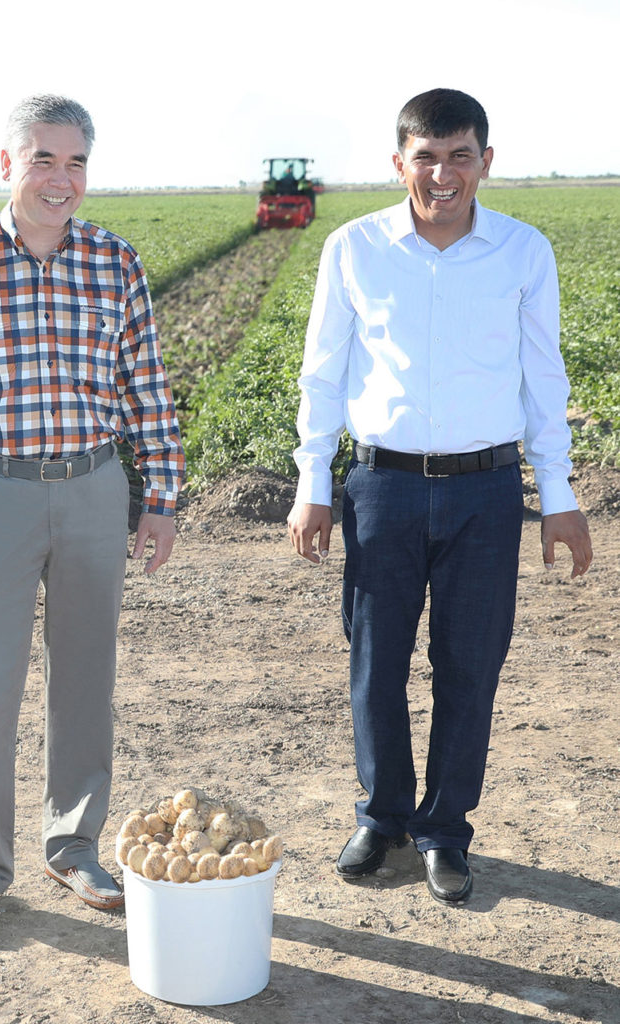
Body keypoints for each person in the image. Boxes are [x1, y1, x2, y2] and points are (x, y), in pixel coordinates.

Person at [287, 88, 592, 905]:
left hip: (486, 491)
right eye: (426, 156)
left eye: (460, 155)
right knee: (375, 662)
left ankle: (445, 830)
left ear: (486, 161)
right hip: (380, 485)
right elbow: (323, 373)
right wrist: (313, 483)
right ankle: (383, 817)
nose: (443, 173)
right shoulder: (354, 249)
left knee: (469, 666)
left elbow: (543, 379)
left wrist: (558, 494)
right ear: (400, 163)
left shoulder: (522, 252)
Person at [0, 94, 185, 935]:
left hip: (95, 486)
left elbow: (146, 387)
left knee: (86, 673)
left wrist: (160, 497)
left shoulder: (114, 261)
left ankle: (74, 845)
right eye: (44, 159)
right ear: (8, 163)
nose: (62, 179)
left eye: (76, 162)